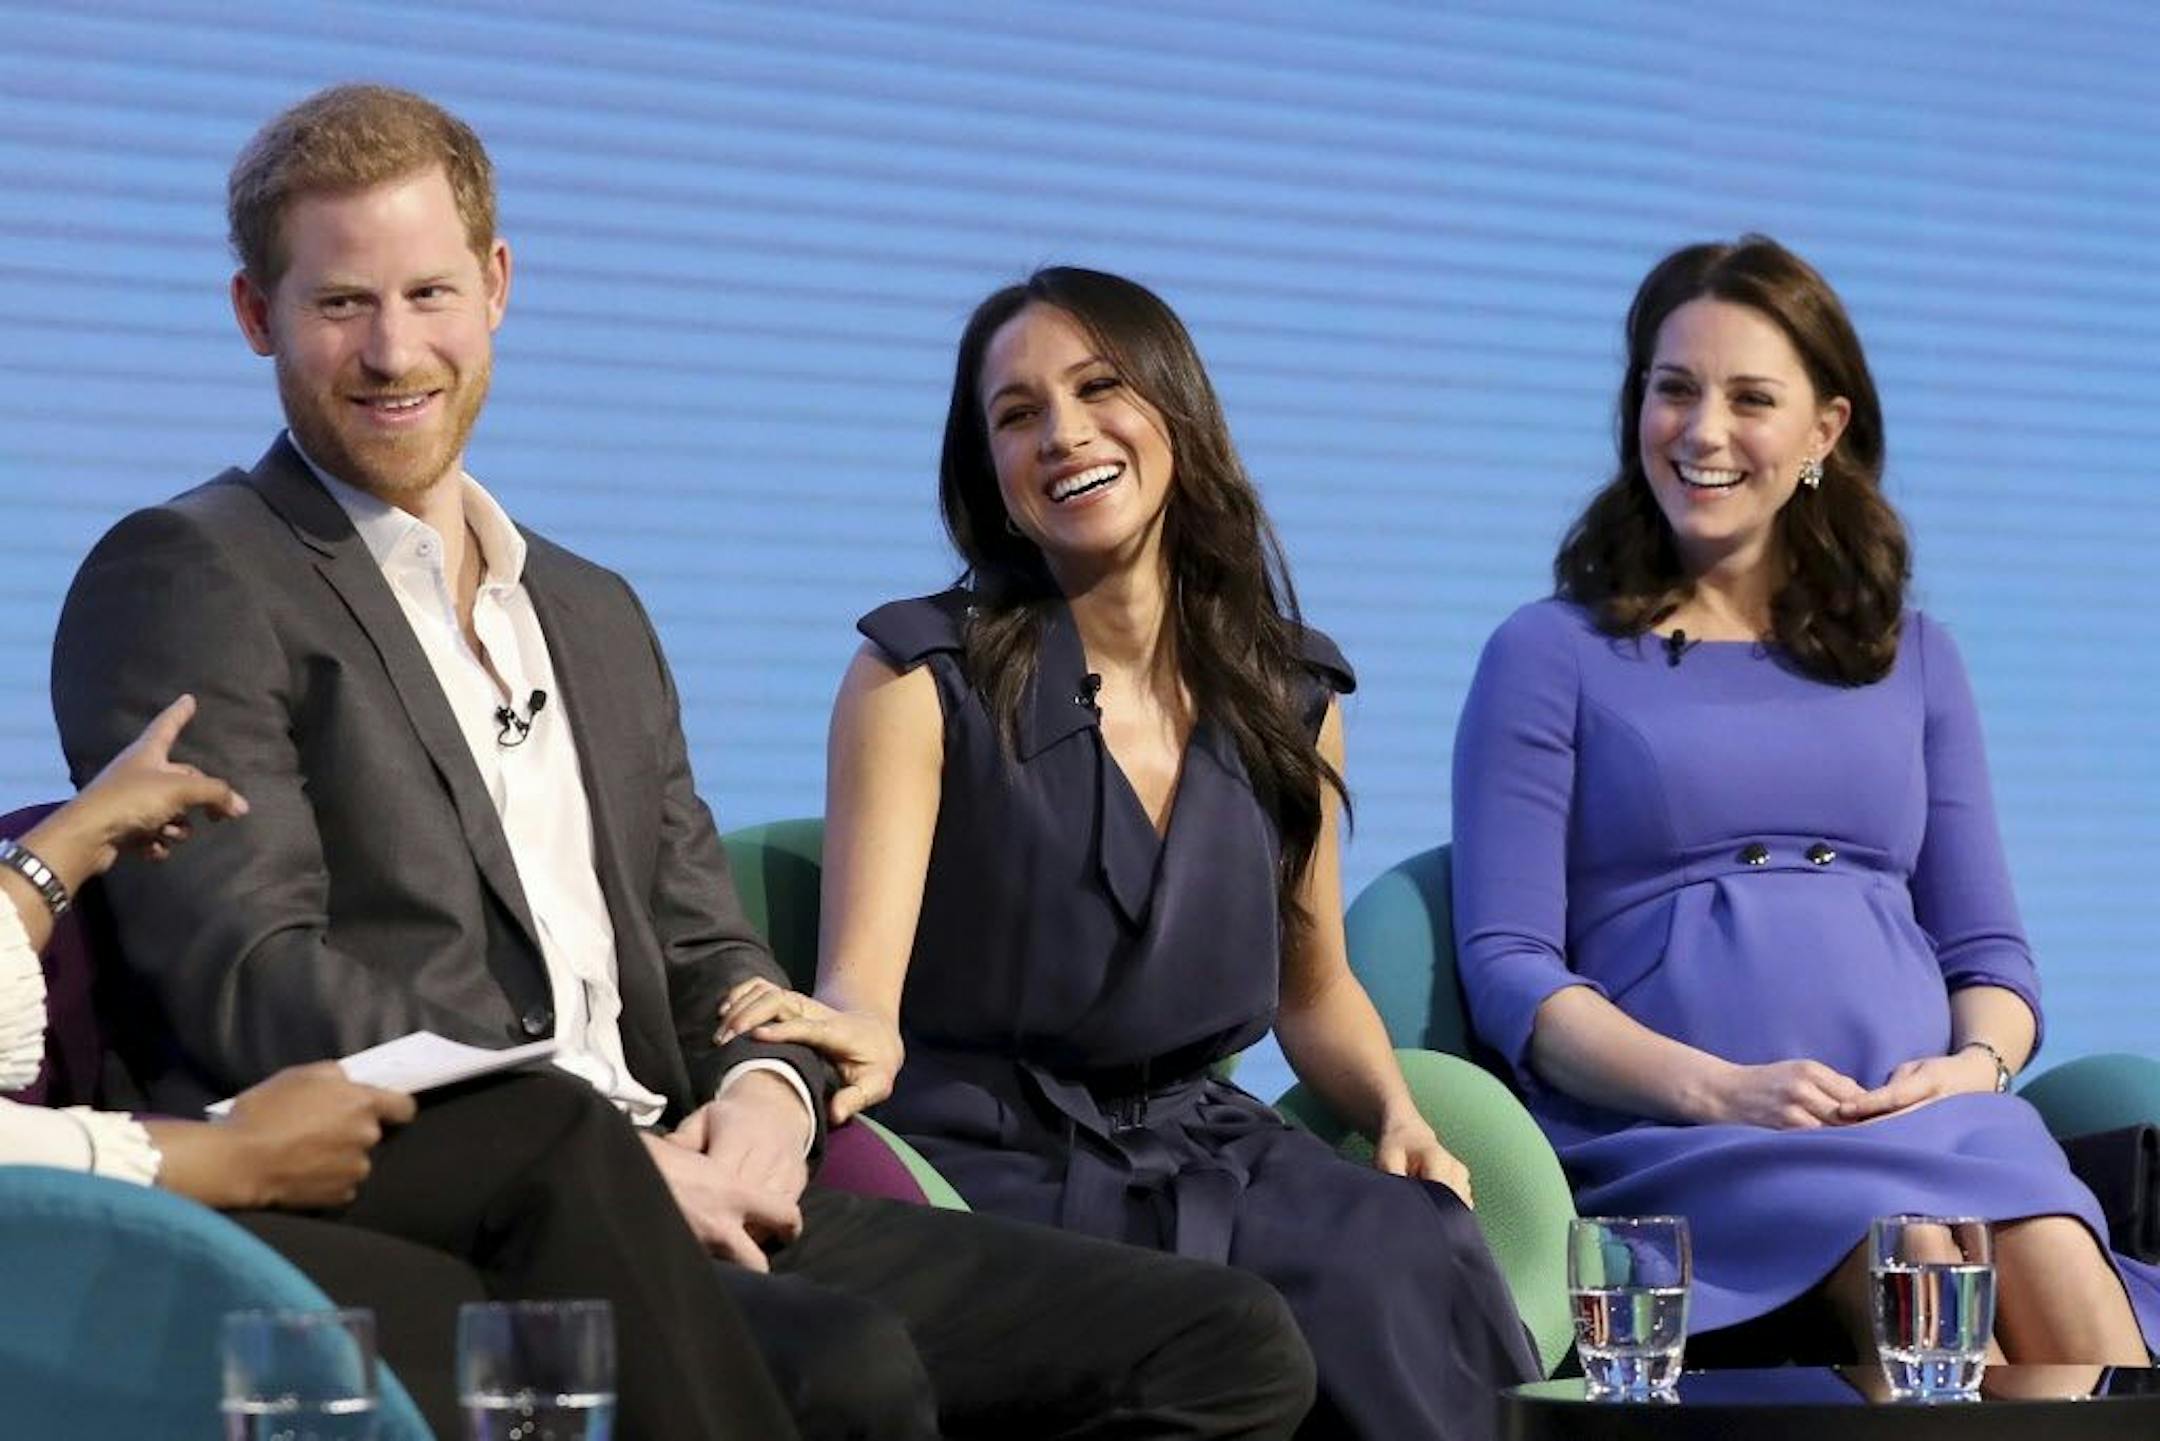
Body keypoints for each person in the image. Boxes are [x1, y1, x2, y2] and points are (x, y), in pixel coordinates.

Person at [49, 84, 1315, 1441]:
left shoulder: (592, 610)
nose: (394, 348)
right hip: (451, 1208)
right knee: (846, 1370)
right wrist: (608, 1159)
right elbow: (254, 979)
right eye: (340, 303)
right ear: (257, 316)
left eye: (429, 293)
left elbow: (704, 942)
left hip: (697, 1170)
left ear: (496, 286)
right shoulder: (194, 573)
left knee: (1228, 1345)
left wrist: (770, 1093)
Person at [718, 266, 1538, 1441]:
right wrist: (804, 1039)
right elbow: (865, 996)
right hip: (997, 1160)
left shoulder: (1290, 693)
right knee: (1232, 1316)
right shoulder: (917, 677)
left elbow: (1315, 990)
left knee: (1411, 1243)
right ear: (992, 478)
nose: (1064, 435)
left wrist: (1397, 1113)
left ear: (1177, 415)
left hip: (1203, 1140)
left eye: (1100, 388)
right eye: (1017, 415)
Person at [1449, 234, 2160, 1363]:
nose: (1702, 431)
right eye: (1672, 389)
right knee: (1920, 1254)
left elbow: (1991, 955)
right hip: (1681, 1135)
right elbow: (1511, 971)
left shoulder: (1915, 657)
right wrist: (1720, 1088)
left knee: (2050, 1238)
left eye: (1750, 398)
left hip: (1931, 1116)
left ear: (1824, 431)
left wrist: (1967, 1069)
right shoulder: (1548, 653)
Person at [3, 697, 808, 1440]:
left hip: (93, 1171)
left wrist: (59, 850)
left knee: (530, 1152)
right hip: (75, 1212)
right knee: (490, 1284)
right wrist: (221, 1155)